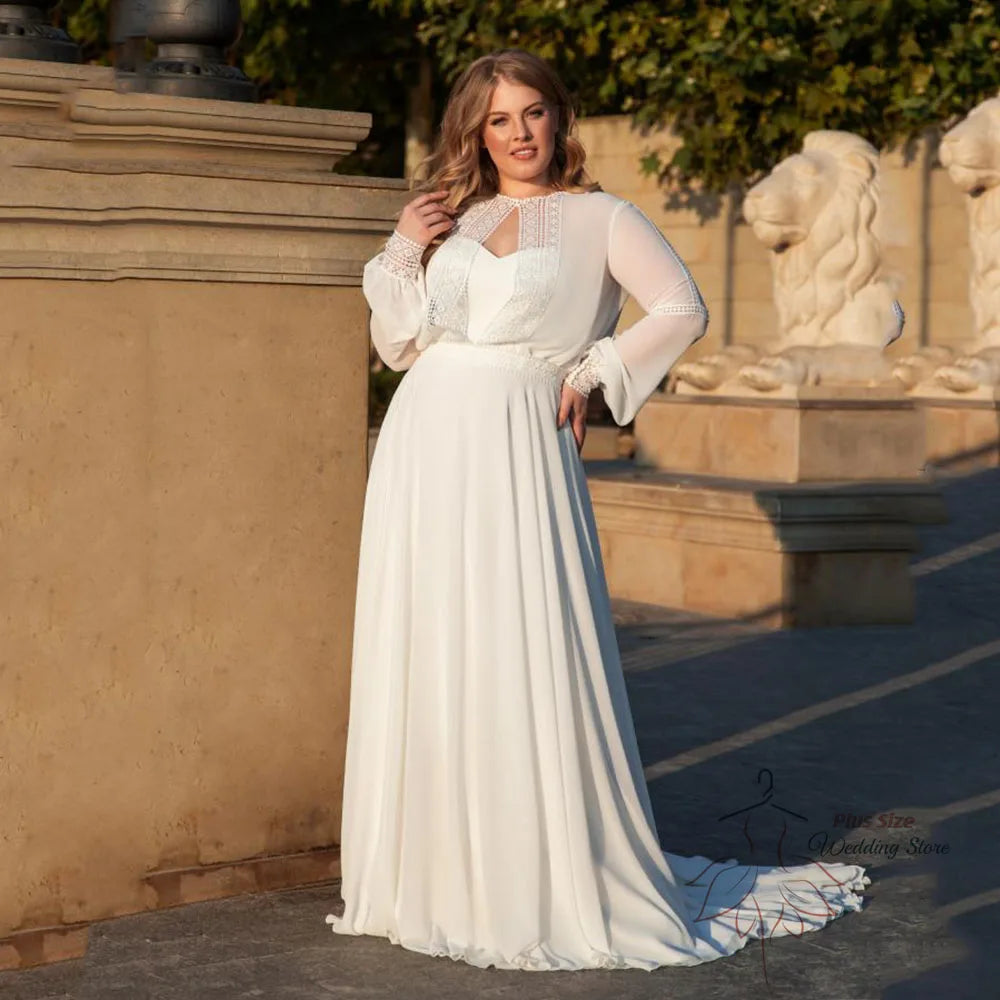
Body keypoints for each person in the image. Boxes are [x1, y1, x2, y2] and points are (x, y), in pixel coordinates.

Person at [325, 48, 870, 972]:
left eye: (533, 112)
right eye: (499, 120)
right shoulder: (459, 218)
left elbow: (681, 307)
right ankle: (431, 875)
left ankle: (528, 876)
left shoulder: (600, 216)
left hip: (515, 444)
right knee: (432, 638)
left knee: (514, 639)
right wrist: (405, 246)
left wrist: (595, 372)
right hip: (424, 448)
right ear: (477, 132)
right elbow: (402, 345)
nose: (519, 134)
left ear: (559, 117)